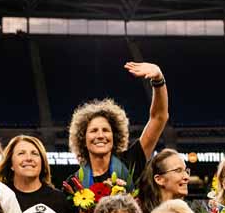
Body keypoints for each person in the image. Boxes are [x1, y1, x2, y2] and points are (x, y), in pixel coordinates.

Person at [66, 62, 169, 190]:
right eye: (93, 131)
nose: (100, 135)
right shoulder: (74, 183)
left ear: (115, 136)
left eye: (105, 130)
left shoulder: (130, 161)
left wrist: (158, 80)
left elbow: (159, 118)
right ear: (83, 139)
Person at [0, 135, 76, 213]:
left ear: (42, 163)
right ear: (11, 164)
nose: (29, 158)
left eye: (34, 153)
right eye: (21, 153)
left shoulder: (60, 200)